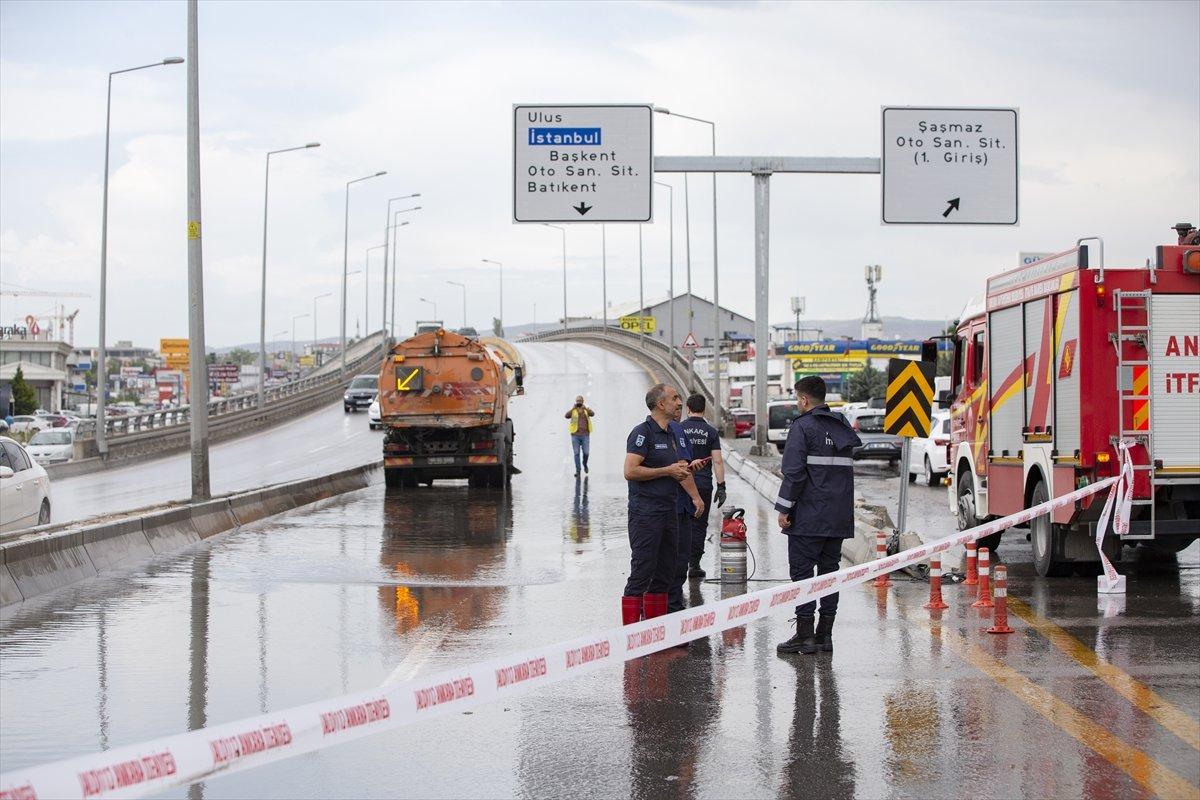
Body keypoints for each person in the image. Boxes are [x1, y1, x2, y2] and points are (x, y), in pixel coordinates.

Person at [774, 375, 861, 655]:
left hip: (809, 518)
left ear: (804, 399)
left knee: (803, 575)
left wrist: (784, 508)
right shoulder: (842, 426)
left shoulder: (802, 428)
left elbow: (794, 474)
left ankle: (804, 636)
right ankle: (825, 636)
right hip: (838, 518)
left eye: (797, 398)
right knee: (828, 575)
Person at [622, 383, 705, 624]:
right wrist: (667, 471)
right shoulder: (642, 433)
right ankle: (631, 634)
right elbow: (630, 471)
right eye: (675, 398)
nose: (680, 403)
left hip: (670, 511)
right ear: (660, 404)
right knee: (643, 570)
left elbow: (678, 468)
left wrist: (691, 485)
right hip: (646, 513)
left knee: (666, 572)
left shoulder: (673, 433)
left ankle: (656, 634)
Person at [680, 394, 726, 579]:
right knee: (699, 525)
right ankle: (694, 565)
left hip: (682, 483)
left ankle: (680, 564)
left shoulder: (679, 428)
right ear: (704, 410)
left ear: (688, 409)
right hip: (704, 485)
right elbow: (718, 461)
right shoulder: (711, 432)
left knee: (682, 523)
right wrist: (721, 486)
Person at [565, 395, 595, 477]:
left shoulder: (586, 410)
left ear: (582, 402)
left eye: (580, 401)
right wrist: (572, 408)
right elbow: (566, 416)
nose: (578, 402)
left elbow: (593, 414)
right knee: (576, 453)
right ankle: (578, 470)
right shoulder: (573, 410)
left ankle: (584, 464)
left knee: (586, 452)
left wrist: (586, 408)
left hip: (585, 435)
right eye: (577, 401)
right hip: (575, 435)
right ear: (575, 402)